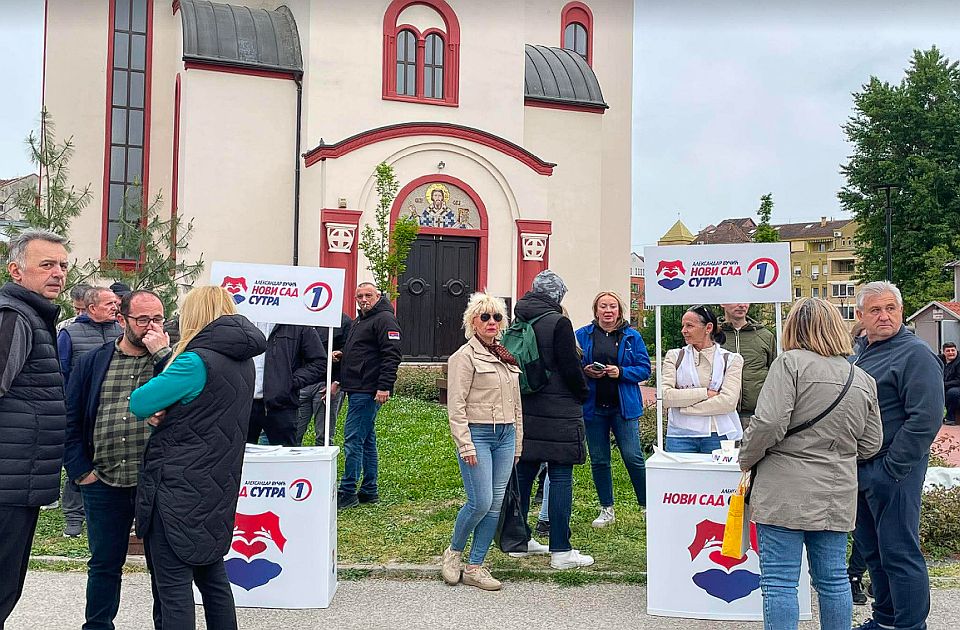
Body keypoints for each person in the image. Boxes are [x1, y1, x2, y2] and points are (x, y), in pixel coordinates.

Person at [739, 298, 882, 630]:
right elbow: (872, 443)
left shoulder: (790, 364)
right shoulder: (861, 378)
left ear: (794, 327)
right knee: (832, 579)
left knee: (779, 581)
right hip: (836, 490)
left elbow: (770, 422)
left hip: (784, 487)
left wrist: (746, 458)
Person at [129, 286, 266, 630]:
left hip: (177, 488)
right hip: (216, 486)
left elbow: (141, 402)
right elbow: (205, 410)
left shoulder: (195, 361)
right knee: (214, 581)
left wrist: (164, 367)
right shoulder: (243, 361)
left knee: (173, 590)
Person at [63, 290, 171, 630]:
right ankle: (97, 626)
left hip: (155, 483)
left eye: (157, 319)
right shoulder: (93, 361)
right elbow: (70, 418)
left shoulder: (172, 362)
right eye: (142, 320)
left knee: (163, 566)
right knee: (105, 564)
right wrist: (81, 471)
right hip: (103, 480)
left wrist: (162, 355)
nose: (151, 327)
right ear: (121, 320)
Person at [852, 281, 944, 630]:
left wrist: (893, 467)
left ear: (901, 312)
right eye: (875, 310)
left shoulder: (915, 354)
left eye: (891, 308)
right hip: (861, 469)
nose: (884, 316)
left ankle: (909, 626)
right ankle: (886, 620)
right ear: (860, 316)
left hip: (894, 469)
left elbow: (927, 416)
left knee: (899, 552)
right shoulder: (858, 354)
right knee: (874, 551)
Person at [0, 229, 69, 627]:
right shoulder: (15, 316)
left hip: (19, 480)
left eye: (62, 265)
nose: (57, 273)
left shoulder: (33, 316)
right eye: (46, 265)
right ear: (16, 270)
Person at [441, 293, 524, 591]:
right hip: (478, 435)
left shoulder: (504, 356)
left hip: (505, 435)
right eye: (485, 317)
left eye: (497, 317)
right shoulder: (463, 357)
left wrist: (517, 442)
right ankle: (453, 552)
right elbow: (456, 406)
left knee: (495, 503)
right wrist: (465, 443)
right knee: (480, 501)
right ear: (472, 322)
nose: (492, 322)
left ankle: (475, 566)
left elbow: (516, 405)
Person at [512, 270, 593, 569]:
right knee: (560, 477)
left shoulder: (520, 318)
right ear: (558, 295)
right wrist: (583, 393)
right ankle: (561, 550)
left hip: (528, 406)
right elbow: (570, 367)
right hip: (559, 410)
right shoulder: (558, 322)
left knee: (523, 474)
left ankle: (518, 542)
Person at [575, 291, 651, 527]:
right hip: (594, 408)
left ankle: (647, 505)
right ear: (595, 311)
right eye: (603, 307)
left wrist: (622, 372)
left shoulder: (632, 336)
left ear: (620, 311)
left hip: (623, 408)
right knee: (599, 459)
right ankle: (606, 508)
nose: (608, 311)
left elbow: (645, 369)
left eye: (613, 307)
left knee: (633, 456)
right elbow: (571, 365)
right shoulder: (582, 335)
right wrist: (585, 371)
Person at [57, 286, 123, 537]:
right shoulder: (70, 333)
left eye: (115, 304)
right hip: (82, 411)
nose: (114, 308)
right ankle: (74, 518)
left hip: (114, 413)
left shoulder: (120, 332)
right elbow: (60, 372)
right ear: (91, 308)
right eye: (109, 304)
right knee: (79, 463)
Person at [336, 283, 402, 509]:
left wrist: (384, 387)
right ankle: (369, 489)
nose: (364, 299)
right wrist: (342, 358)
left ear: (378, 296)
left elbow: (391, 355)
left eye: (368, 295)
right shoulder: (360, 321)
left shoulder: (384, 319)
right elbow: (363, 352)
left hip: (368, 390)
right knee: (366, 440)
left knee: (353, 439)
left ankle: (348, 491)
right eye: (359, 296)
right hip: (356, 387)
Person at [662, 305, 744, 453]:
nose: (683, 331)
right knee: (680, 477)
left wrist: (684, 408)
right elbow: (665, 397)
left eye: (689, 326)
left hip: (718, 435)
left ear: (708, 328)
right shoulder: (674, 356)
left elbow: (728, 402)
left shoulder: (731, 359)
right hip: (680, 436)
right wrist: (705, 393)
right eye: (683, 326)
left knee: (717, 477)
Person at [247, 322, 326, 446]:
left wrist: (290, 382)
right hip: (244, 403)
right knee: (240, 459)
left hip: (282, 405)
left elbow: (319, 361)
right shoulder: (243, 319)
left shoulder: (296, 322)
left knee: (284, 460)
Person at [296, 313, 353, 446]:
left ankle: (323, 466)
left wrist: (337, 382)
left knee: (324, 436)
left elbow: (350, 354)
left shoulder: (343, 322)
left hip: (327, 384)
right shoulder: (301, 318)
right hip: (302, 384)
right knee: (293, 433)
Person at [720, 302, 776, 427]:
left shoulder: (765, 336)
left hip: (756, 416)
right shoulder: (712, 336)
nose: (742, 305)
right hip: (720, 416)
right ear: (722, 303)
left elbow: (775, 375)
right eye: (736, 300)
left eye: (745, 301)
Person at [942, 342, 959, 426]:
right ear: (943, 352)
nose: (951, 352)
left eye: (953, 350)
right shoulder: (940, 359)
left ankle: (950, 418)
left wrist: (943, 384)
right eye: (948, 351)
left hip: (956, 386)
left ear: (956, 350)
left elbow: (958, 380)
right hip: (945, 385)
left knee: (952, 393)